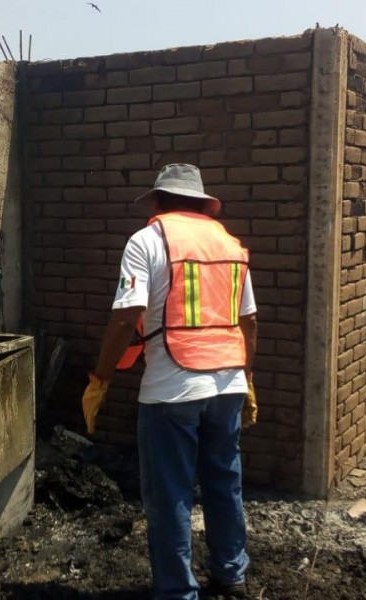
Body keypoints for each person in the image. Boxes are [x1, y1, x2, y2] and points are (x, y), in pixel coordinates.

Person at [81, 164, 259, 600]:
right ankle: (231, 575)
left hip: (171, 389)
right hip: (228, 386)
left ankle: (178, 592)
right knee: (223, 482)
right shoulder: (230, 244)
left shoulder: (147, 240)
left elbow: (126, 317)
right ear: (201, 203)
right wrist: (248, 379)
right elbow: (249, 321)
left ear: (159, 201)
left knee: (170, 495)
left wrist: (100, 380)